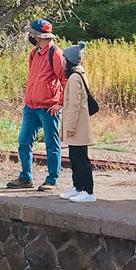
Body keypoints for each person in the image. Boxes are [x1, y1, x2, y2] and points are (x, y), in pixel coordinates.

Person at [6, 18, 64, 191]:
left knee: (52, 145)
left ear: (39, 35)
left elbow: (65, 80)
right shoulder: (34, 53)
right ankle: (26, 178)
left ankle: (52, 179)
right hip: (31, 107)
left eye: (32, 33)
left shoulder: (56, 54)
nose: (30, 35)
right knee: (24, 141)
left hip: (48, 108)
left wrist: (60, 103)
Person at [58, 43, 96, 203]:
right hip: (77, 125)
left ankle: (87, 191)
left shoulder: (74, 78)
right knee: (75, 157)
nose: (62, 60)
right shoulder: (78, 75)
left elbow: (73, 105)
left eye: (64, 58)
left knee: (81, 159)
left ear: (70, 60)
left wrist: (70, 127)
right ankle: (78, 187)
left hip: (77, 126)